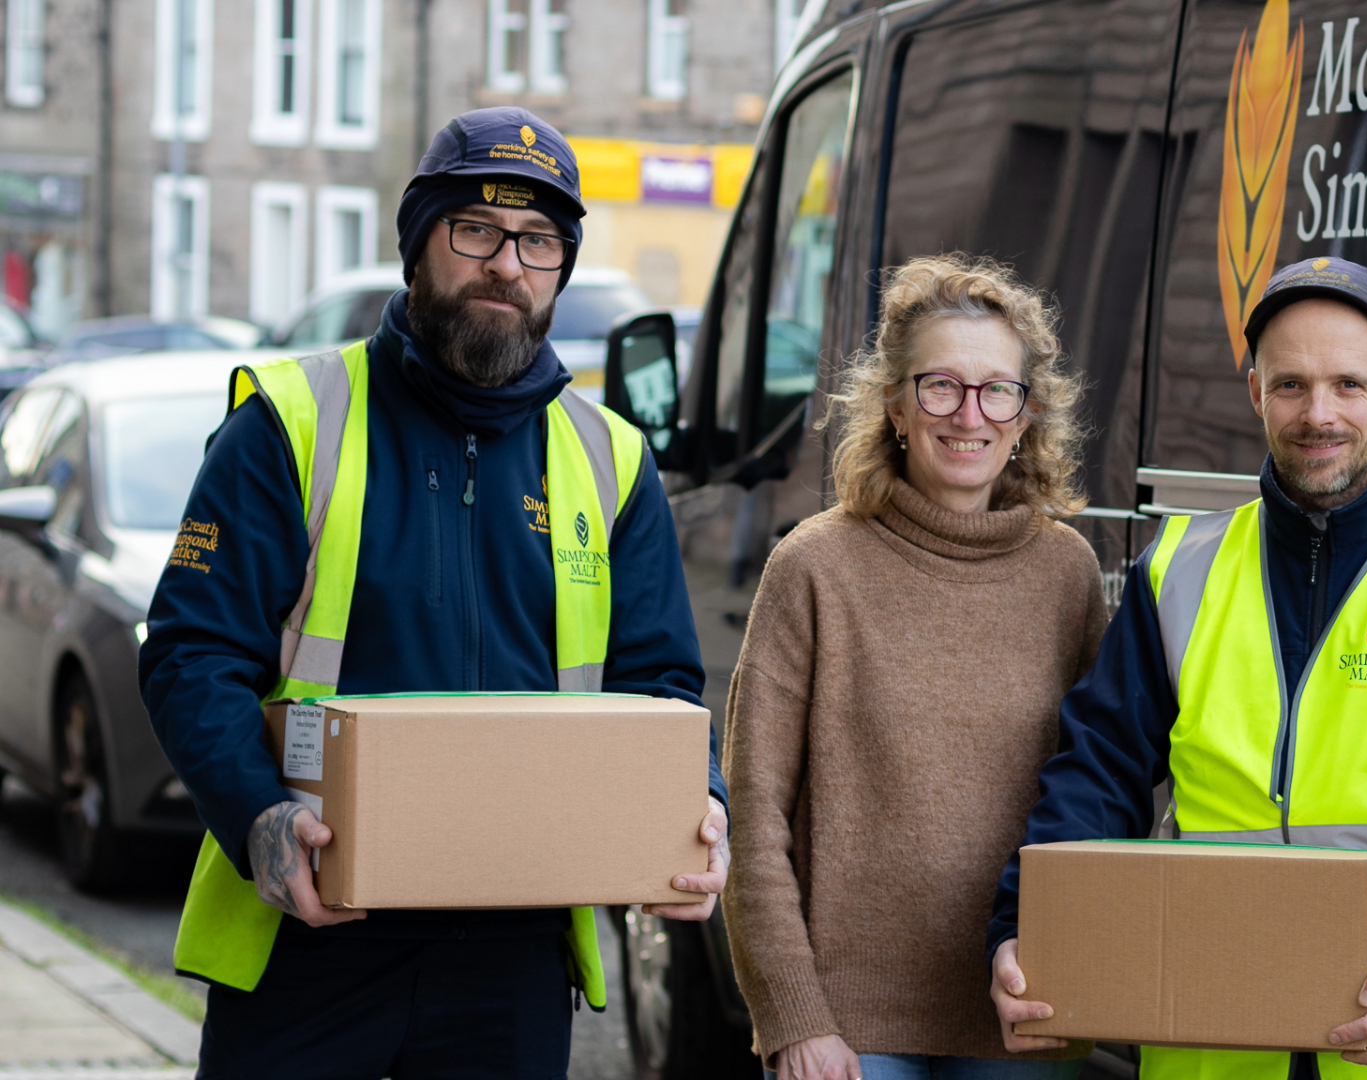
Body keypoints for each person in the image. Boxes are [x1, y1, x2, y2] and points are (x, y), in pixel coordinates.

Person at [138, 107, 729, 1078]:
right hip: (311, 931)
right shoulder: (290, 423)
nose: (508, 263)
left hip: (511, 958)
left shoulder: (612, 460)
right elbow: (190, 654)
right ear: (418, 244)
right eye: (477, 230)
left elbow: (660, 687)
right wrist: (259, 819)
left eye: (540, 241)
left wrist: (692, 807)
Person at [985, 256, 1367, 1079]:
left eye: (1348, 386)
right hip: (1208, 1038)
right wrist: (1024, 929)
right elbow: (1096, 771)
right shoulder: (1180, 568)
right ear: (1255, 392)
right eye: (1290, 385)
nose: (1317, 413)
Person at [722, 255, 1107, 1080]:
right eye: (941, 386)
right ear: (895, 404)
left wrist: (1084, 978)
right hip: (851, 1028)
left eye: (997, 390)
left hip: (1025, 1013)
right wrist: (793, 1019)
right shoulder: (813, 567)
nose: (970, 414)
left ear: (1026, 414)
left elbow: (1103, 793)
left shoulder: (1067, 573)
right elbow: (755, 823)